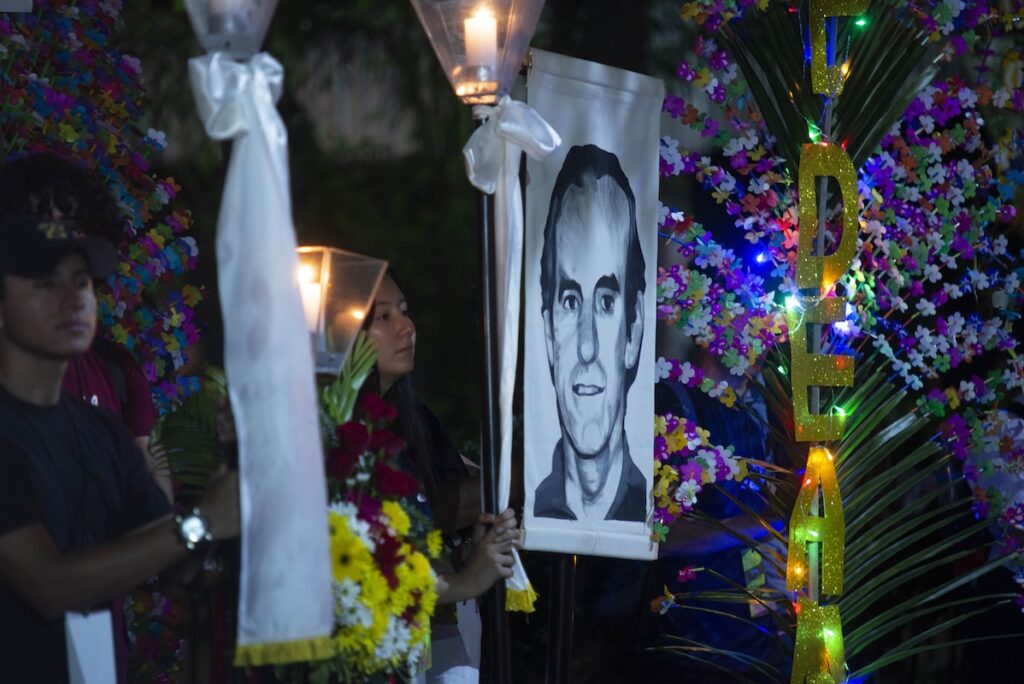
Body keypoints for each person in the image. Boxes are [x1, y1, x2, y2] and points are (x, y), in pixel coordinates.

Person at [0, 213, 239, 684]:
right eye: (46, 283)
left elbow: (173, 567)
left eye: (82, 281)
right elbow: (47, 585)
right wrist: (202, 523)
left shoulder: (103, 431)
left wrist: (234, 469)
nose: (74, 299)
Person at [362, 271, 518, 682]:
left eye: (404, 311)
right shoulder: (338, 436)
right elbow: (374, 564)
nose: (406, 327)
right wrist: (465, 581)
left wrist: (468, 550)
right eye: (384, 317)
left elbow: (426, 525)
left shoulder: (412, 419)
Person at [534, 143, 647, 522]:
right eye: (569, 301)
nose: (587, 346)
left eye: (606, 302)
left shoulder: (661, 514)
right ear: (548, 331)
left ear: (634, 331)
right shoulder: (522, 512)